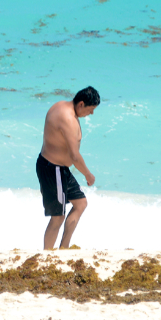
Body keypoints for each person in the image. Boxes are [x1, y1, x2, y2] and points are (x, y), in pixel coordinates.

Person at [36, 86, 99, 250]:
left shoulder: (61, 105)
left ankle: (64, 248)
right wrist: (88, 175)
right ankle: (47, 256)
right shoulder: (67, 118)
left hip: (60, 169)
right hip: (52, 168)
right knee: (58, 216)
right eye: (90, 110)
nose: (91, 114)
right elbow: (75, 156)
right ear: (81, 104)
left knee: (80, 204)